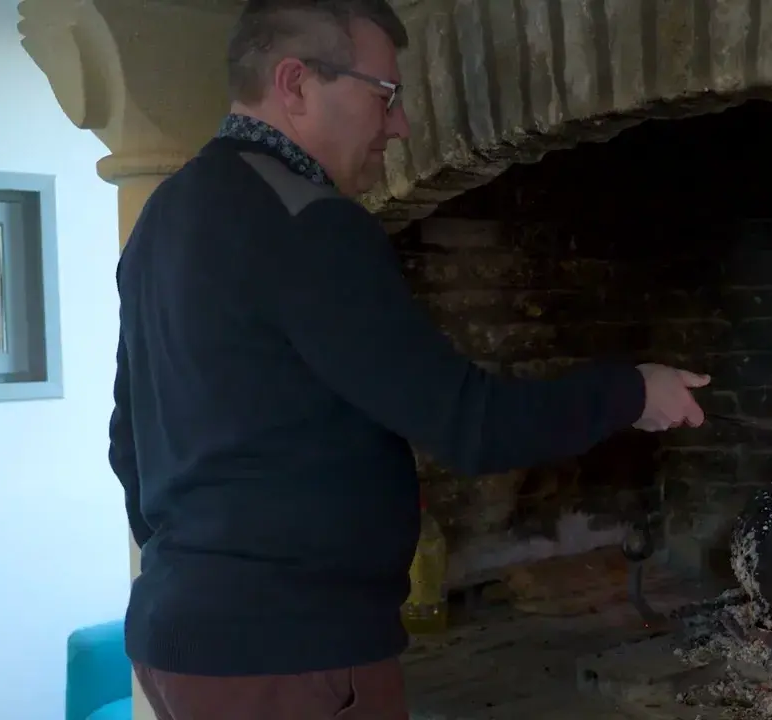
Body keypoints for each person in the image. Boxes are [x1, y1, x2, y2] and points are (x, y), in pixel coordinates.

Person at [108, 0, 710, 717]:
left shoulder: (167, 214)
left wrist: (197, 571)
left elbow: (128, 442)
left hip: (178, 639)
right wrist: (634, 392)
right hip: (293, 655)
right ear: (296, 84)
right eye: (384, 97)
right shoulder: (313, 225)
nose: (399, 126)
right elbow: (469, 424)